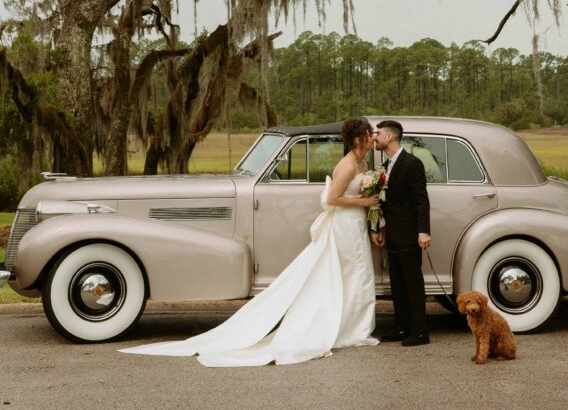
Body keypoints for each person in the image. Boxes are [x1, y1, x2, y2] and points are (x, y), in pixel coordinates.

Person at [120, 117, 381, 366]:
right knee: (351, 274)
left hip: (354, 224)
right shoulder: (347, 165)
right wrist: (364, 201)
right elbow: (332, 198)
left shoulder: (361, 162)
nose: (374, 139)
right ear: (360, 138)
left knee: (356, 275)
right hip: (346, 223)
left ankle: (352, 326)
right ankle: (347, 327)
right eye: (371, 135)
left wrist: (369, 206)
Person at [372, 119, 431, 346]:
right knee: (397, 284)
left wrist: (423, 231)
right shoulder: (385, 168)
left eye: (378, 134)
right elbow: (384, 203)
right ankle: (402, 327)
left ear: (389, 137)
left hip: (409, 233)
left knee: (413, 284)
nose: (375, 137)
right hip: (393, 235)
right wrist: (380, 228)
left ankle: (420, 332)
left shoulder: (412, 163)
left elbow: (421, 201)